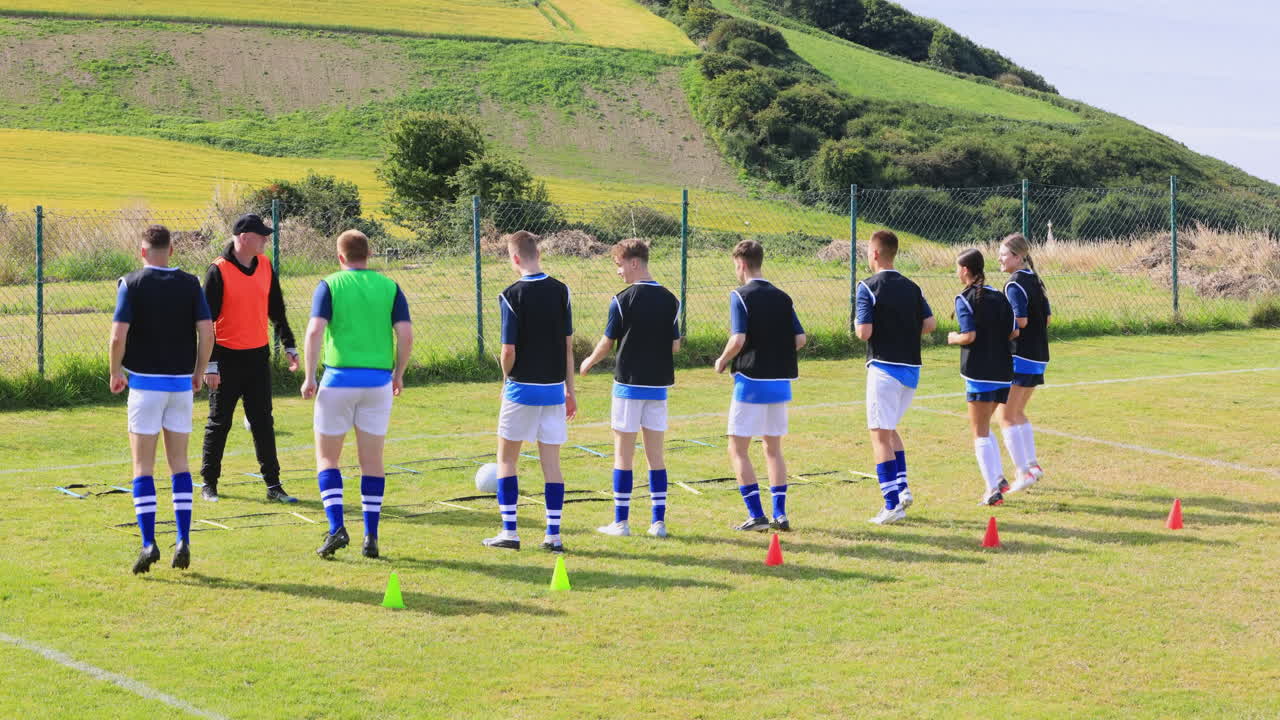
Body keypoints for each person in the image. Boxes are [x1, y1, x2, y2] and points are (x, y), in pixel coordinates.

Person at [301, 230, 413, 559]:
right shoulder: (389, 286)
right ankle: (371, 536)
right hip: (378, 384)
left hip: (338, 381)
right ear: (370, 254)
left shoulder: (329, 284)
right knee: (372, 462)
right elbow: (405, 334)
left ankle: (336, 527)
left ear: (340, 257)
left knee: (327, 459)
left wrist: (310, 377)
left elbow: (314, 331)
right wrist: (398, 373)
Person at [109, 225, 214, 574]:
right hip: (180, 386)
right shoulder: (190, 283)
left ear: (143, 252)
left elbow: (117, 336)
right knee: (180, 465)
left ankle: (149, 542)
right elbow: (206, 330)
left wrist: (115, 371)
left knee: (143, 467)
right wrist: (199, 370)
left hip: (145, 387)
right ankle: (183, 537)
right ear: (172, 251)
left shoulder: (131, 283)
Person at [578, 239, 681, 539]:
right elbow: (675, 345)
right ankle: (657, 523)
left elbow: (608, 342)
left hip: (628, 386)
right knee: (656, 456)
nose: (619, 272)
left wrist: (588, 362)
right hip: (658, 387)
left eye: (620, 265)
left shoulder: (621, 299)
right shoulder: (671, 299)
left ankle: (621, 523)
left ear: (634, 262)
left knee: (623, 455)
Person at [484, 231, 576, 553]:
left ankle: (510, 532)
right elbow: (568, 348)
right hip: (553, 391)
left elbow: (508, 351)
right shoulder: (562, 291)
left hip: (521, 389)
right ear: (538, 253)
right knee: (551, 464)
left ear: (514, 258)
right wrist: (570, 391)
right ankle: (554, 535)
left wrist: (504, 378)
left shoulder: (510, 295)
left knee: (507, 460)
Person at [200, 214, 300, 504]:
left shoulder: (266, 266)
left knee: (263, 422)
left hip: (257, 357)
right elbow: (206, 324)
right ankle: (209, 483)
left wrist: (289, 344)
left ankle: (274, 485)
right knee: (219, 423)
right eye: (262, 236)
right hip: (226, 360)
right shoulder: (217, 271)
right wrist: (211, 364)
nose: (266, 240)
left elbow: (276, 308)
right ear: (244, 238)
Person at [714, 240, 806, 532]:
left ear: (741, 263)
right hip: (780, 382)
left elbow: (738, 339)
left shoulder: (740, 295)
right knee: (773, 448)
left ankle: (756, 515)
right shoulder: (782, 296)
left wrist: (722, 360)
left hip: (751, 382)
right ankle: (780, 514)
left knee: (737, 448)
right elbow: (800, 339)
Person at [854, 230, 936, 525]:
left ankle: (891, 505)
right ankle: (902, 490)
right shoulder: (912, 286)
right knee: (889, 431)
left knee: (879, 435)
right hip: (911, 371)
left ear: (875, 253)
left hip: (884, 368)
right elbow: (930, 323)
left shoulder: (867, 286)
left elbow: (863, 332)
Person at [947, 249, 1019, 506]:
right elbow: (1014, 332)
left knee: (979, 432)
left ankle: (991, 491)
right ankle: (999, 479)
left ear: (965, 270)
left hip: (979, 372)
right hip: (1002, 372)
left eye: (957, 268)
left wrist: (954, 337)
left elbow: (969, 335)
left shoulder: (964, 298)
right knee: (986, 427)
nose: (957, 273)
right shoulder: (999, 296)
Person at [997, 233, 1051, 493]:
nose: (999, 258)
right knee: (1017, 412)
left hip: (1021, 357)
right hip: (1039, 356)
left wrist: (994, 334)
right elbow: (1047, 319)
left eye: (1004, 254)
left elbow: (1020, 322)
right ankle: (1033, 465)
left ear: (1018, 257)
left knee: (1005, 415)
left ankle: (1023, 471)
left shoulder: (1014, 284)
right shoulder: (1035, 280)